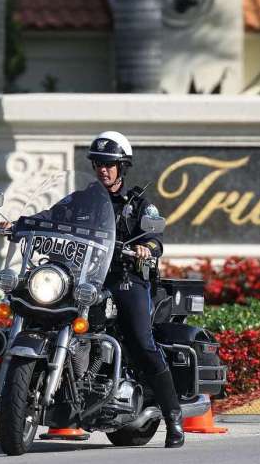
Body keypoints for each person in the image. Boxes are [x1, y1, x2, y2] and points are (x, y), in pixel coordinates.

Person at [88, 131, 185, 448]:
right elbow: (53, 217)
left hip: (127, 277)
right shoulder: (85, 200)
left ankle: (174, 419)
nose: (103, 169)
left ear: (122, 167)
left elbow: (156, 238)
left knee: (143, 341)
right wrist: (20, 223)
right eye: (99, 163)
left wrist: (147, 247)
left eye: (110, 164)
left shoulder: (139, 205)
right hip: (89, 279)